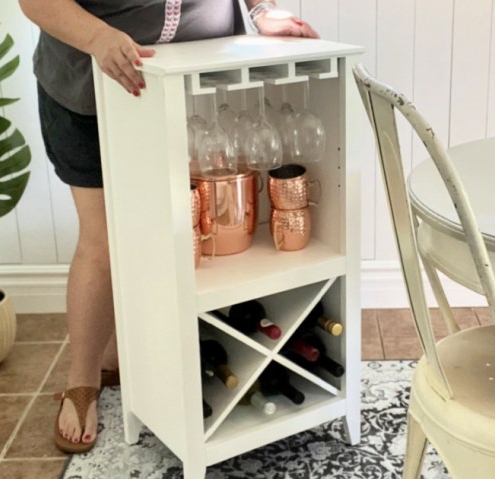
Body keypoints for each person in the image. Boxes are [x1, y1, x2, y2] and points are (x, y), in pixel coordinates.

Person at [17, 0, 319, 454]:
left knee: (188, 226)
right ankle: (83, 380)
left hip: (201, 86)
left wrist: (262, 10)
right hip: (90, 87)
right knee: (104, 240)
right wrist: (99, 37)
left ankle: (133, 357)